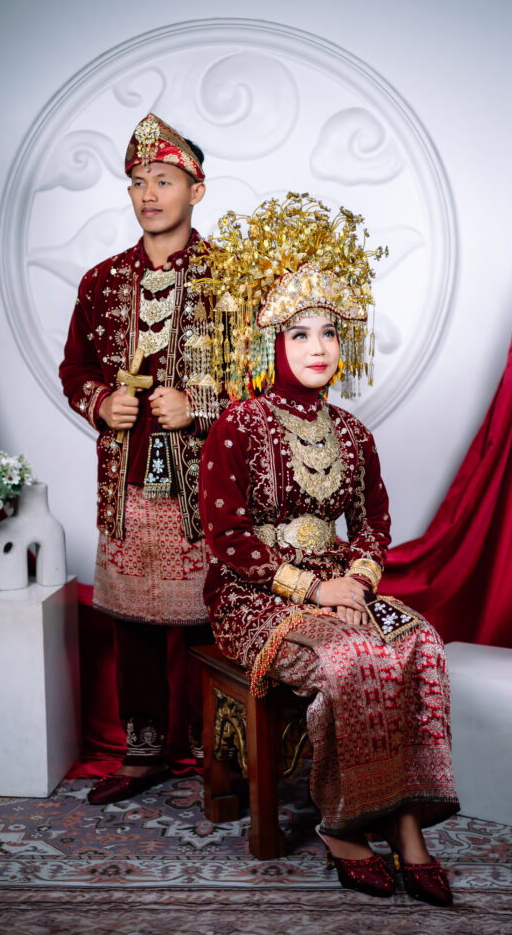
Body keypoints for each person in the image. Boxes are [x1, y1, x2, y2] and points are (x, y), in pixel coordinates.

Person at [195, 194, 459, 906]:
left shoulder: (351, 431)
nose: (319, 348)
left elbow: (374, 523)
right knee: (352, 659)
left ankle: (406, 829)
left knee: (420, 644)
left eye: (330, 332)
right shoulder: (236, 425)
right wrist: (314, 591)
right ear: (269, 342)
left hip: (342, 586)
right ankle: (345, 828)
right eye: (300, 333)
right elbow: (225, 537)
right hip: (255, 597)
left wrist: (358, 583)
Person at [60, 114, 223, 804]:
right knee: (131, 620)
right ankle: (144, 750)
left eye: (163, 180)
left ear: (196, 190)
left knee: (216, 617)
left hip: (207, 485)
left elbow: (266, 384)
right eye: (136, 182)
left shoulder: (232, 281)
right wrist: (101, 403)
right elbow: (74, 368)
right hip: (125, 480)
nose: (148, 193)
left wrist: (199, 406)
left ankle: (222, 752)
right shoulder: (100, 282)